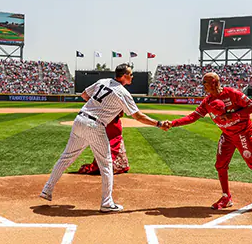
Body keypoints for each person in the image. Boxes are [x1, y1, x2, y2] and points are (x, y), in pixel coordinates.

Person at [40, 63, 164, 212]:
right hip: (95, 125)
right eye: (130, 74)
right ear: (124, 76)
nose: (132, 77)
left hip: (80, 120)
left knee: (66, 157)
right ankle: (106, 203)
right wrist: (158, 123)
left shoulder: (102, 81)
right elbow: (138, 116)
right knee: (106, 163)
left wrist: (99, 107)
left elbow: (85, 95)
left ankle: (47, 189)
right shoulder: (122, 92)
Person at [162, 72, 252, 212]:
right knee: (220, 165)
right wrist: (172, 123)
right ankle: (226, 197)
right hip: (227, 135)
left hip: (243, 133)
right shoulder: (207, 102)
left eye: (205, 83)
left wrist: (233, 115)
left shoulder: (232, 93)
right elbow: (192, 117)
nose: (203, 86)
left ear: (214, 83)